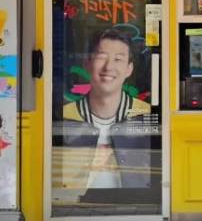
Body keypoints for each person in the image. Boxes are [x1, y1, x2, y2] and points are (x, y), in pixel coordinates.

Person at [61, 28, 151, 190]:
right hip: (75, 202)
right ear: (87, 63)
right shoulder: (65, 115)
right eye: (101, 57)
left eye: (118, 59)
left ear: (129, 69)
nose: (109, 67)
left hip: (132, 202)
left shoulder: (146, 114)